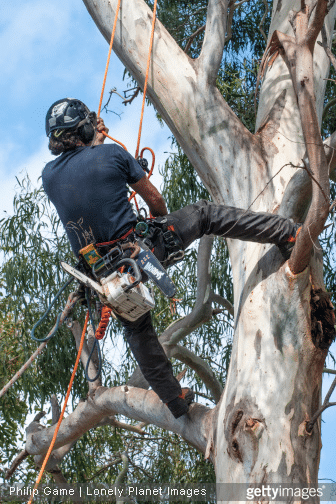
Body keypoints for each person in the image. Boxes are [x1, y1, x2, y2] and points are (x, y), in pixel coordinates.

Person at [42, 98, 300, 418]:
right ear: (84, 127)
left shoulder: (49, 176)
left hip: (103, 274)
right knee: (203, 214)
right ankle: (288, 233)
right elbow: (156, 200)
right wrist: (158, 223)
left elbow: (84, 172)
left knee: (137, 327)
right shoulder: (112, 155)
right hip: (140, 253)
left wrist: (95, 142)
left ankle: (174, 399)